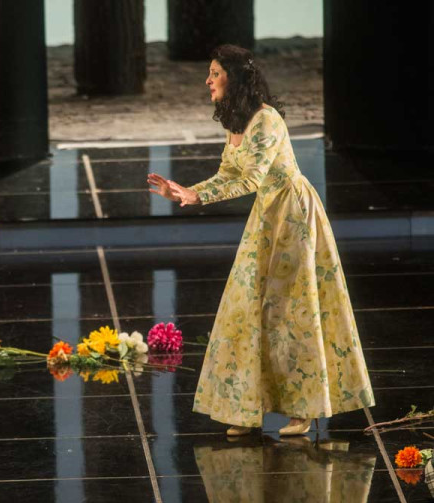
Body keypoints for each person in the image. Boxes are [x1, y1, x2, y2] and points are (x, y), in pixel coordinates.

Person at [146, 45, 374, 437]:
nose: (208, 80)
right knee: (245, 307)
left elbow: (251, 179)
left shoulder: (266, 121)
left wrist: (200, 196)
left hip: (293, 215)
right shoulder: (236, 123)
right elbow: (226, 173)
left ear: (234, 78)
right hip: (267, 216)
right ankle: (244, 407)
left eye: (215, 73)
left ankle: (306, 409)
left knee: (293, 311)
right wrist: (189, 192)